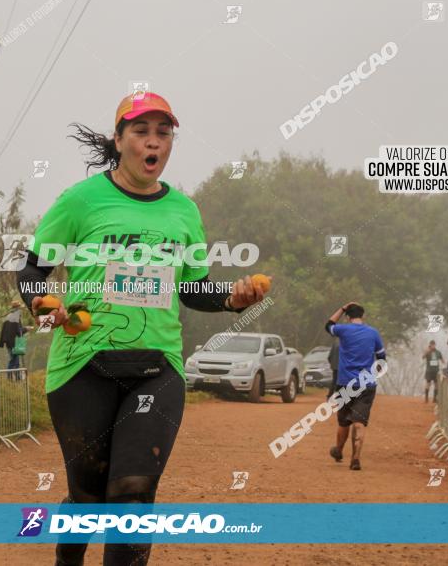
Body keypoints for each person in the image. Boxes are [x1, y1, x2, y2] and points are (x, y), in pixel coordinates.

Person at [16, 91, 269, 566]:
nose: (153, 142)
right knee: (89, 500)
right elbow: (32, 271)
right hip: (82, 366)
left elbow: (193, 290)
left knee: (132, 494)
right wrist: (41, 302)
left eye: (163, 133)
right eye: (141, 131)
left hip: (158, 367)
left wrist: (233, 300)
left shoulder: (184, 212)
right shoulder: (80, 201)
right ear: (119, 139)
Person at [325, 302, 386, 471]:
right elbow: (381, 358)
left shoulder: (343, 330)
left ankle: (338, 450)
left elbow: (328, 325)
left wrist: (342, 308)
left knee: (344, 422)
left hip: (345, 383)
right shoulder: (373, 333)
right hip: (366, 385)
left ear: (347, 316)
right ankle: (356, 458)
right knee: (360, 423)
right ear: (363, 316)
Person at [0, 299, 32, 378]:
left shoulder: (9, 316)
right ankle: (12, 378)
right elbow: (18, 331)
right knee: (14, 360)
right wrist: (27, 329)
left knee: (14, 359)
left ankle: (15, 377)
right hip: (13, 342)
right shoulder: (15, 317)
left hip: (9, 342)